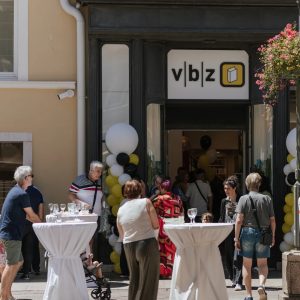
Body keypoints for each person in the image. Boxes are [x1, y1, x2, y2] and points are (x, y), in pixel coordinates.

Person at [0, 166, 41, 300]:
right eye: (31, 175)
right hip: (11, 234)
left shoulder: (16, 191)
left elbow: (26, 216)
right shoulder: (22, 194)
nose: (32, 178)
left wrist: (36, 220)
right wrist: (43, 224)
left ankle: (8, 293)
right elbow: (31, 215)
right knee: (11, 264)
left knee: (18, 262)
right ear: (25, 178)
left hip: (11, 233)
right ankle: (3, 296)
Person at [234, 173, 276, 300]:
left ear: (247, 184)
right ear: (259, 184)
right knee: (263, 264)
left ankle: (248, 295)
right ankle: (261, 286)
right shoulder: (267, 199)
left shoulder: (243, 199)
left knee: (247, 265)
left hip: (247, 232)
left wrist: (236, 238)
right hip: (264, 233)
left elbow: (239, 220)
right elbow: (273, 220)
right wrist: (273, 236)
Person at [117, 180, 160, 300]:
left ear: (125, 192)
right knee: (148, 281)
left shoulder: (121, 209)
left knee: (134, 280)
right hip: (146, 242)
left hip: (128, 245)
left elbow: (121, 232)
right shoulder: (146, 202)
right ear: (140, 190)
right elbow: (156, 224)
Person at [68, 161, 104, 252]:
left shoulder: (99, 181)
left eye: (101, 171)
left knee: (91, 239)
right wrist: (80, 203)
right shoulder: (80, 180)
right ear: (91, 171)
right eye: (98, 171)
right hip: (83, 215)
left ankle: (88, 261)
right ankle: (83, 261)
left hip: (96, 215)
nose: (100, 174)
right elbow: (70, 195)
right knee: (83, 239)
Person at [152, 179, 184, 278]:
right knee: (172, 249)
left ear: (162, 188)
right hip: (175, 226)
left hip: (163, 227)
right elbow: (182, 212)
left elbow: (149, 206)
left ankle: (163, 272)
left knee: (162, 249)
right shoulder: (177, 198)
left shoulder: (159, 199)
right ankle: (172, 272)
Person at [218, 175, 243, 291]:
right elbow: (222, 217)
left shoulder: (241, 200)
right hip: (227, 230)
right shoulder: (224, 201)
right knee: (227, 256)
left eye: (228, 188)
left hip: (238, 230)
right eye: (224, 188)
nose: (226, 191)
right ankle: (233, 278)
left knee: (237, 256)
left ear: (234, 188)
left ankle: (239, 281)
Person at [21, 184, 44, 279]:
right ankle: (34, 269)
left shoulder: (19, 191)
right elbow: (41, 211)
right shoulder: (38, 192)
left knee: (21, 248)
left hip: (21, 223)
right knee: (32, 247)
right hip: (34, 223)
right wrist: (39, 220)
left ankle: (25, 271)